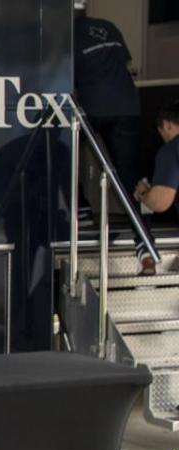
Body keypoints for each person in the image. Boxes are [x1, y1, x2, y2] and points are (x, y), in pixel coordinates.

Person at [74, 0, 156, 274]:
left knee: (65, 148)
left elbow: (60, 75)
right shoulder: (108, 26)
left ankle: (81, 209)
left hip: (93, 104)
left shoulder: (65, 33)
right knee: (127, 175)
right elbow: (125, 63)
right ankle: (145, 245)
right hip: (127, 104)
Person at [134, 100, 179, 219]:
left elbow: (159, 202)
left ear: (167, 125)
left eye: (161, 133)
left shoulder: (172, 148)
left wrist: (143, 193)